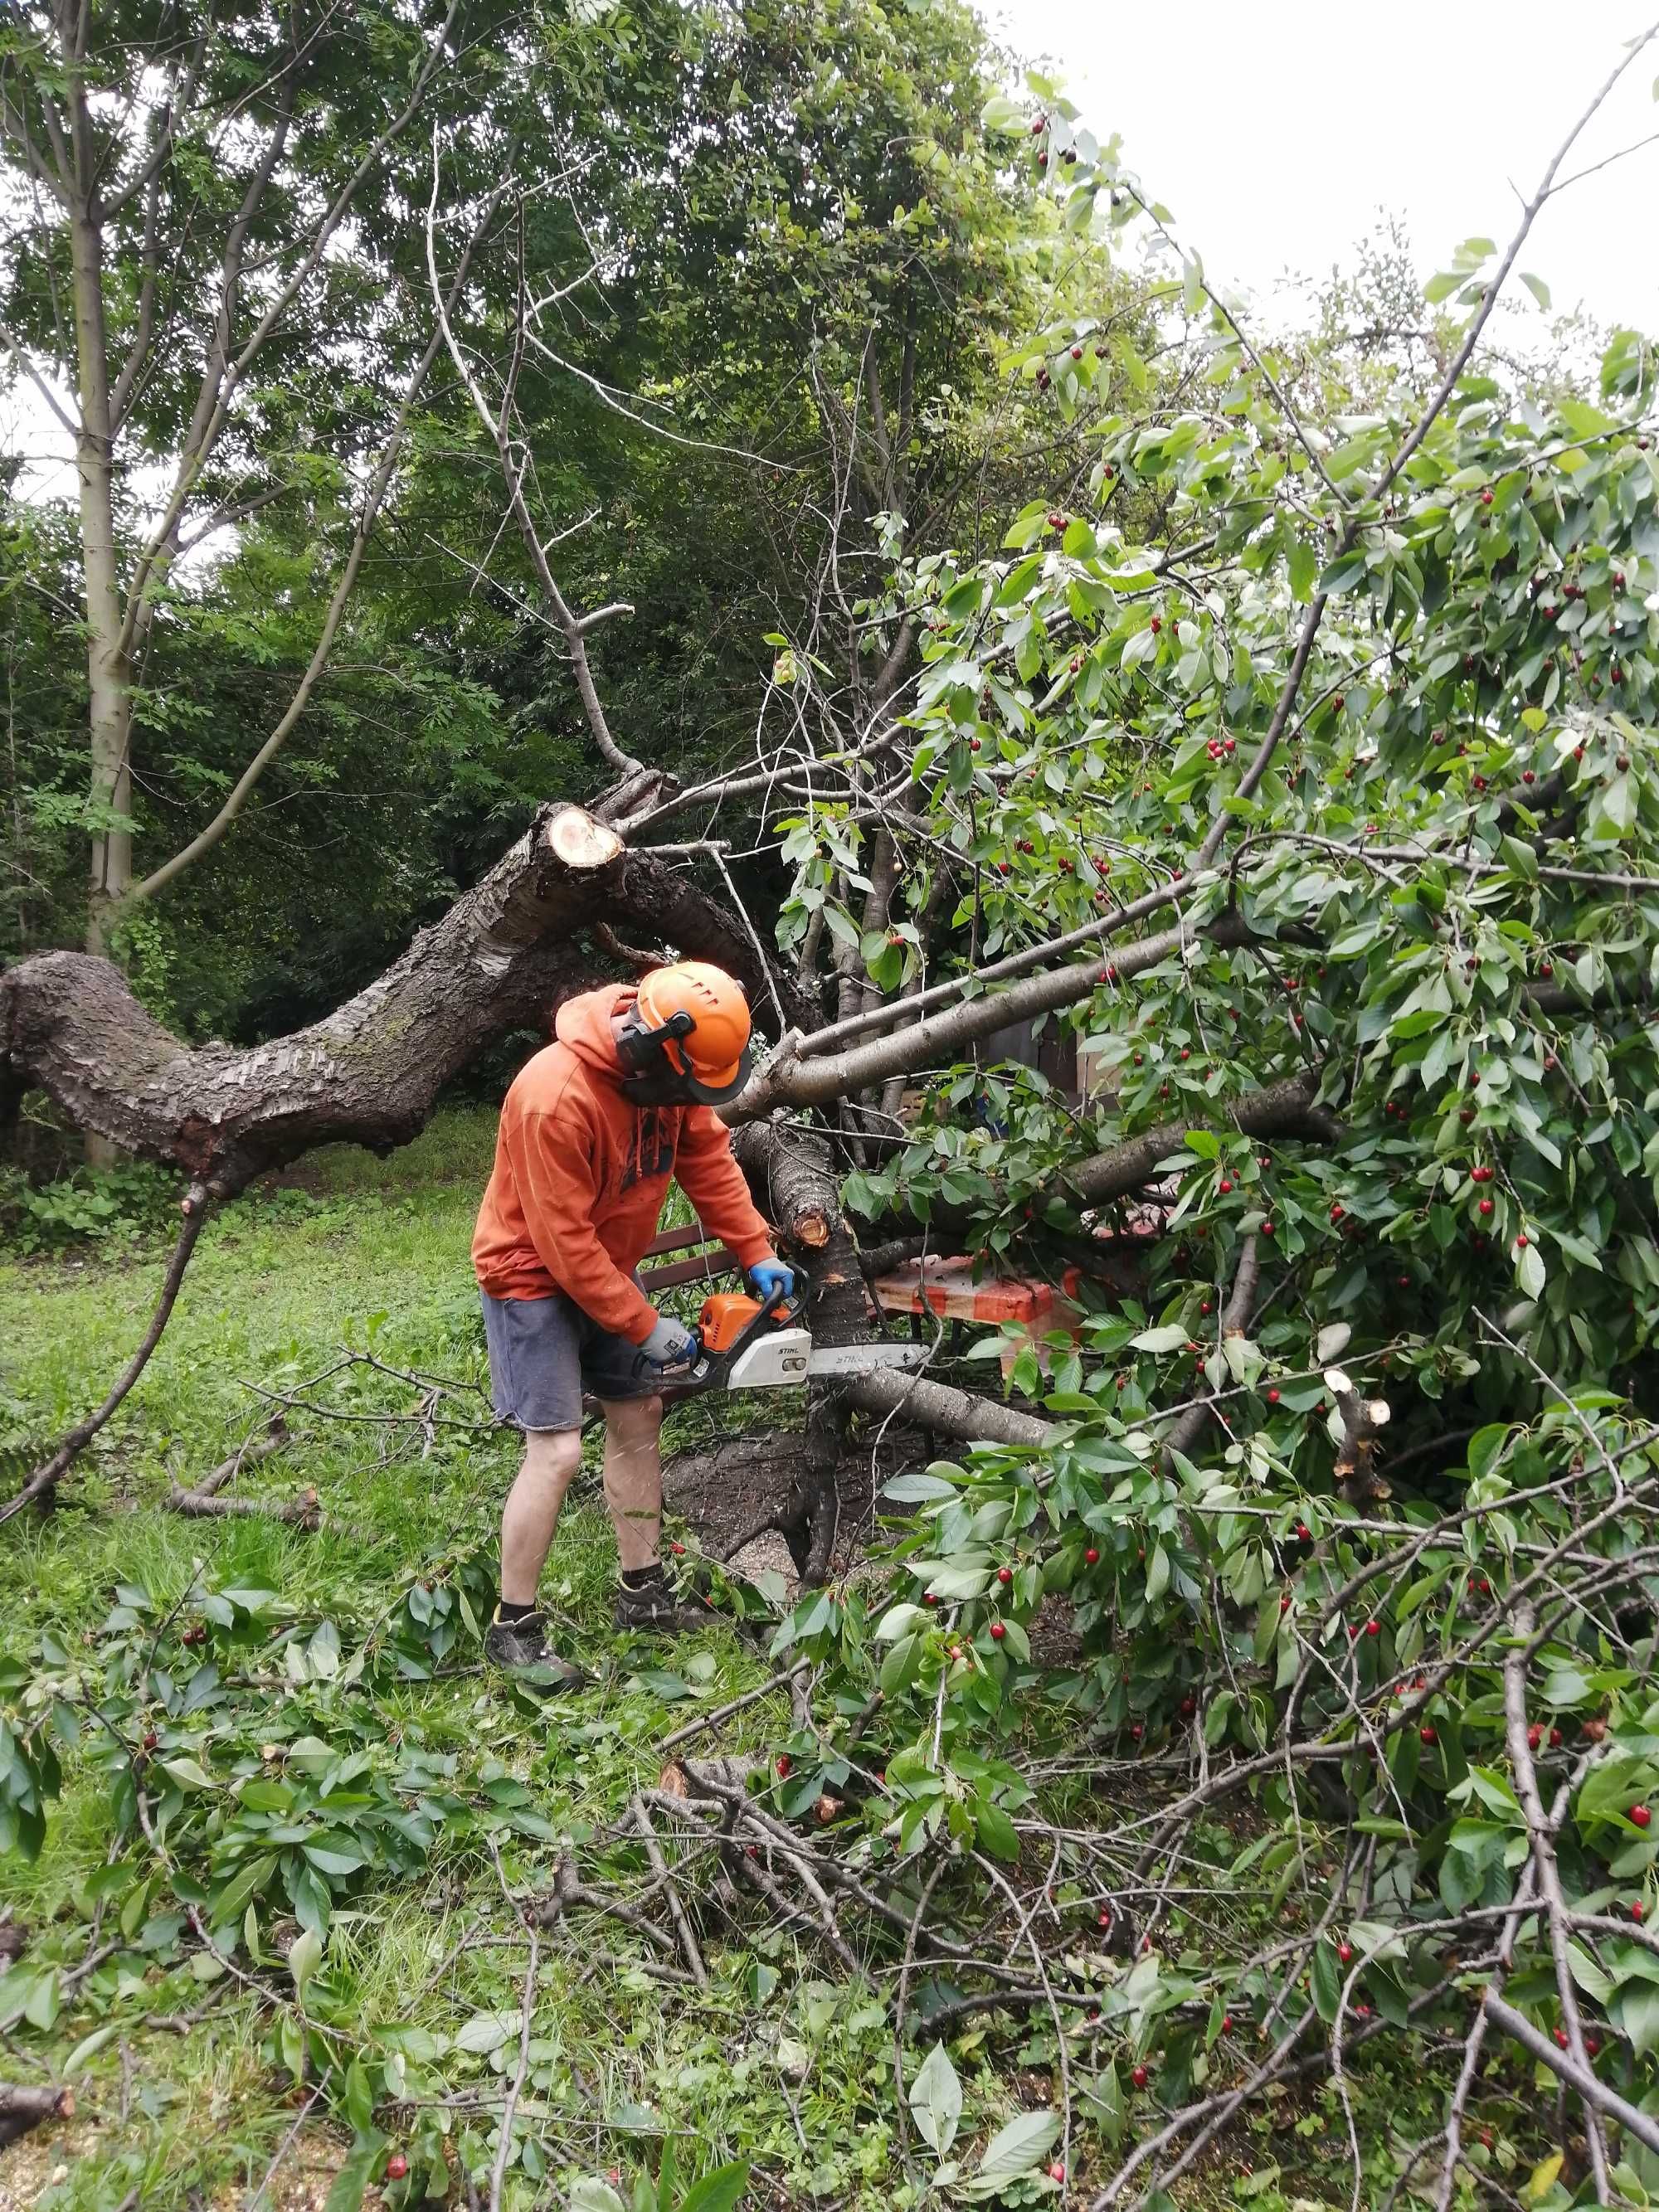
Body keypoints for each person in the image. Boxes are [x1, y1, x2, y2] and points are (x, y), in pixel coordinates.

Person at [471, 960, 794, 1681]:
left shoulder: (678, 1067)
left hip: (606, 1270)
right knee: (555, 1452)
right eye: (686, 1087)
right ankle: (512, 1623)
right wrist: (645, 1324)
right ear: (651, 1052)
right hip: (532, 1276)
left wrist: (754, 1248)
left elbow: (707, 1157)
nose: (691, 1100)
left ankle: (642, 1593)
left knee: (639, 1411)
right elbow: (563, 1245)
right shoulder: (552, 1098)